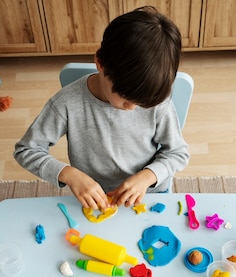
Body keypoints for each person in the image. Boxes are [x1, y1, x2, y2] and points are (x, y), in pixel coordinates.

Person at [13, 6, 189, 210]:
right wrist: (69, 174)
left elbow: (177, 153)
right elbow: (26, 149)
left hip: (150, 193)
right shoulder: (67, 103)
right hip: (97, 199)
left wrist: (147, 177)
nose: (132, 108)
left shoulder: (155, 99)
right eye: (125, 97)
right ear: (100, 63)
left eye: (140, 102)